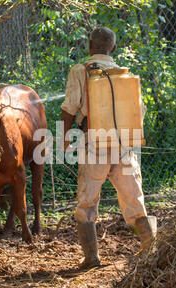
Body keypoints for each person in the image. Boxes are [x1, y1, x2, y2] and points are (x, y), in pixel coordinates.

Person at [59, 26, 157, 269]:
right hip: (124, 146)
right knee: (134, 201)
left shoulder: (80, 71)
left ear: (89, 46)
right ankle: (152, 251)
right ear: (113, 48)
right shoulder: (125, 75)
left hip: (94, 145)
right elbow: (139, 113)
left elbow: (69, 108)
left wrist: (64, 138)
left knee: (87, 202)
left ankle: (91, 258)